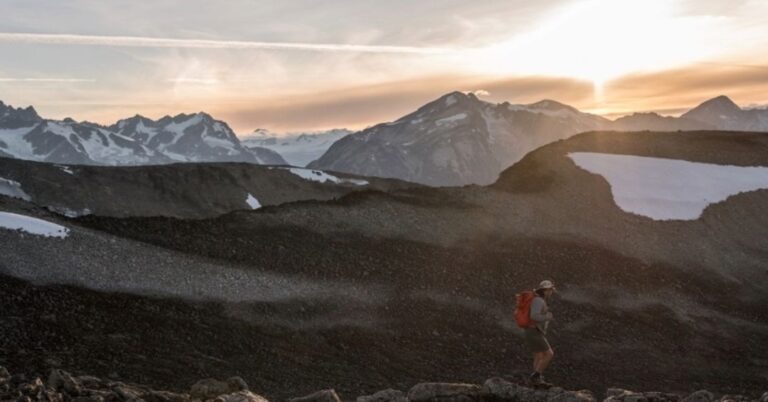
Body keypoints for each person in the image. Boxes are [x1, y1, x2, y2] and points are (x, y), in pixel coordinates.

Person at [525, 279, 556, 385]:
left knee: (539, 356)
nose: (551, 292)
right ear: (544, 290)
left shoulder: (537, 299)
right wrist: (547, 316)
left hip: (531, 330)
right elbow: (534, 316)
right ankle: (535, 377)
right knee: (549, 354)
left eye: (551, 290)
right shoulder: (539, 301)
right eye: (549, 290)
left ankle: (536, 380)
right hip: (534, 331)